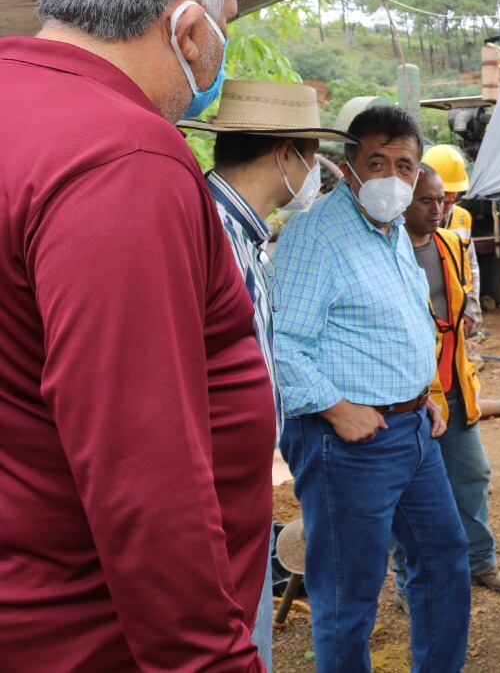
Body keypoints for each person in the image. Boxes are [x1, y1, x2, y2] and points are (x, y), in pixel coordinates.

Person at [0, 0, 274, 669]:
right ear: (188, 29)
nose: (220, 49)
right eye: (224, 24)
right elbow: (143, 473)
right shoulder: (122, 157)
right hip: (91, 636)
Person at [273, 105, 470, 672]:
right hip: (350, 442)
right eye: (376, 161)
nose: (391, 176)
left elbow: (399, 324)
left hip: (411, 429)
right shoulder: (317, 235)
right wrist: (337, 410)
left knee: (443, 563)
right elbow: (283, 343)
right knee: (348, 597)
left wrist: (424, 392)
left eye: (404, 164)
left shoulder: (391, 233)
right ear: (347, 167)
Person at [178, 79, 359, 668]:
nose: (316, 175)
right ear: (286, 155)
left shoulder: (245, 236)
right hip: (210, 504)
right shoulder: (210, 237)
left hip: (238, 491)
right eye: (311, 157)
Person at [388, 164, 500, 608]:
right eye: (427, 200)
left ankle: (479, 561)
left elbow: (459, 309)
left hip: (453, 387)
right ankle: (408, 581)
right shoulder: (386, 250)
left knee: (472, 473)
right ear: (404, 201)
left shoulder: (451, 243)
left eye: (443, 198)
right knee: (406, 491)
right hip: (405, 394)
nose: (439, 208)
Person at [423, 144, 482, 332]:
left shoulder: (463, 219)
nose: (450, 197)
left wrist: (471, 310)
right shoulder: (412, 221)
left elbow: (470, 266)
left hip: (457, 312)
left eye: (454, 190)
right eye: (445, 190)